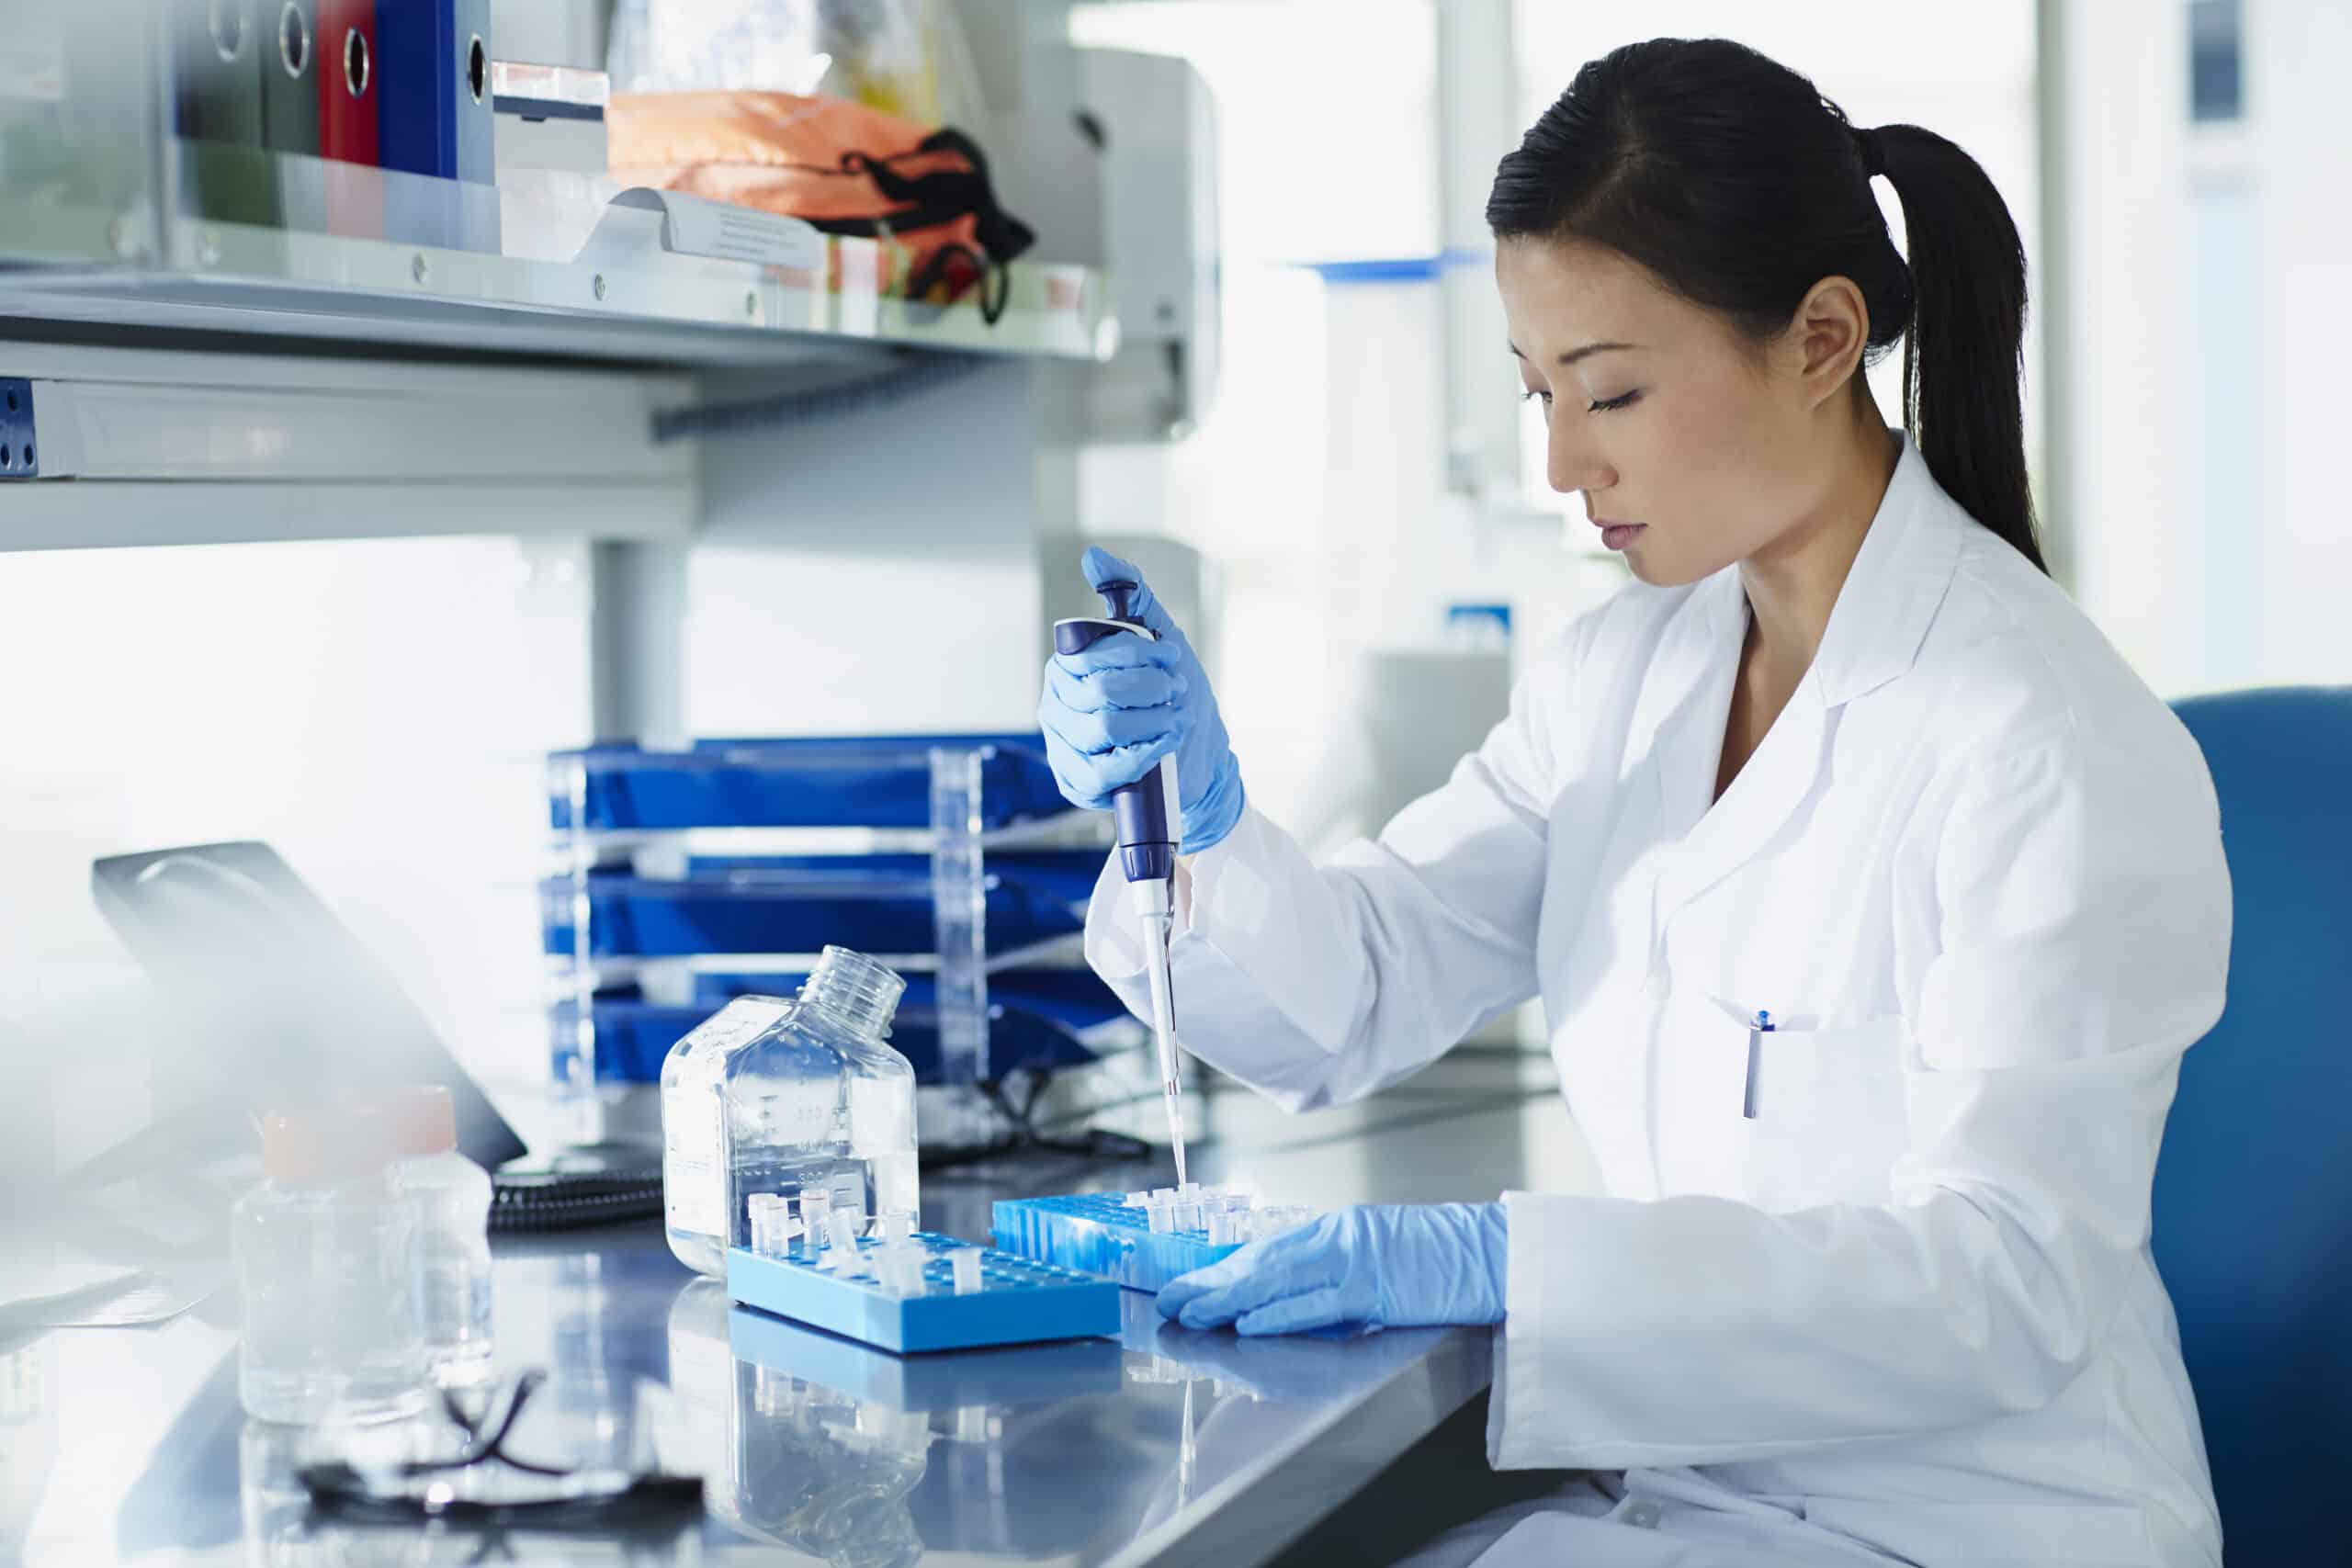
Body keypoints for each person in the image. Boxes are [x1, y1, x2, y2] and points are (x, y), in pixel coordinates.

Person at [1035, 35, 2232, 1568]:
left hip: (1979, 1528)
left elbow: (2000, 1286)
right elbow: (1357, 990)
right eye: (1540, 392)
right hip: (1700, 1507)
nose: (1558, 463)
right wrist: (1200, 831)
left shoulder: (2043, 740)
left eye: (1608, 392)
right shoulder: (1623, 675)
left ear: (1819, 338)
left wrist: (1498, 1262)